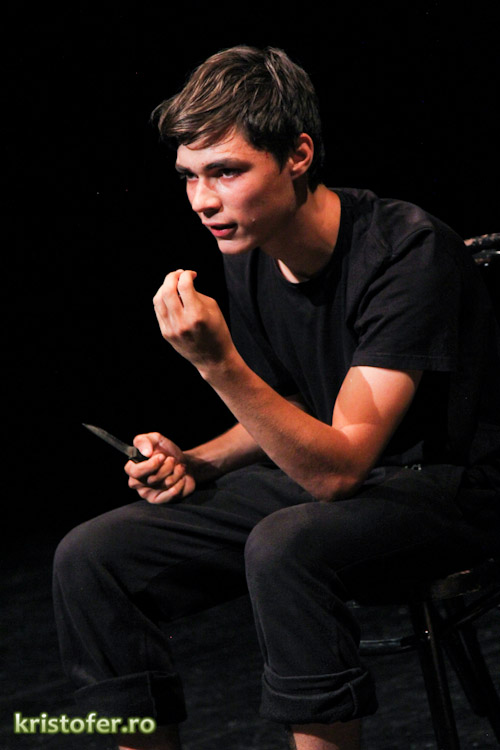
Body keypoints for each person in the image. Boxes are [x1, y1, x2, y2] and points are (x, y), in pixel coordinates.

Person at [53, 46, 500, 750]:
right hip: (346, 480)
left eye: (227, 172)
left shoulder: (405, 252)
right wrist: (199, 461)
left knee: (285, 544)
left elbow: (337, 470)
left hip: (450, 488)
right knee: (92, 556)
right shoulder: (253, 249)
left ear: (297, 155)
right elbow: (290, 406)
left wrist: (216, 363)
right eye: (190, 176)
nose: (203, 201)